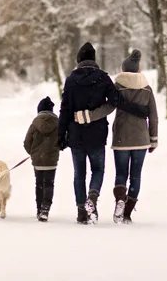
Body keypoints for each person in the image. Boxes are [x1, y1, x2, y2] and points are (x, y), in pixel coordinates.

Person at [57, 42, 149, 224]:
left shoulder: (71, 80)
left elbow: (65, 109)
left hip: (76, 135)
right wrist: (138, 110)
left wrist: (61, 135)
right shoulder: (103, 78)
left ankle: (82, 212)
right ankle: (92, 197)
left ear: (79, 60)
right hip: (97, 135)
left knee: (79, 174)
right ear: (94, 59)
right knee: (97, 170)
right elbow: (116, 101)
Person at [24, 96, 59, 222]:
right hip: (51, 160)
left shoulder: (34, 124)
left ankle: (39, 209)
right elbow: (62, 140)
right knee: (49, 184)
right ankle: (45, 209)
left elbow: (27, 142)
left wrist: (33, 153)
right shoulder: (58, 123)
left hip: (38, 160)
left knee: (39, 184)